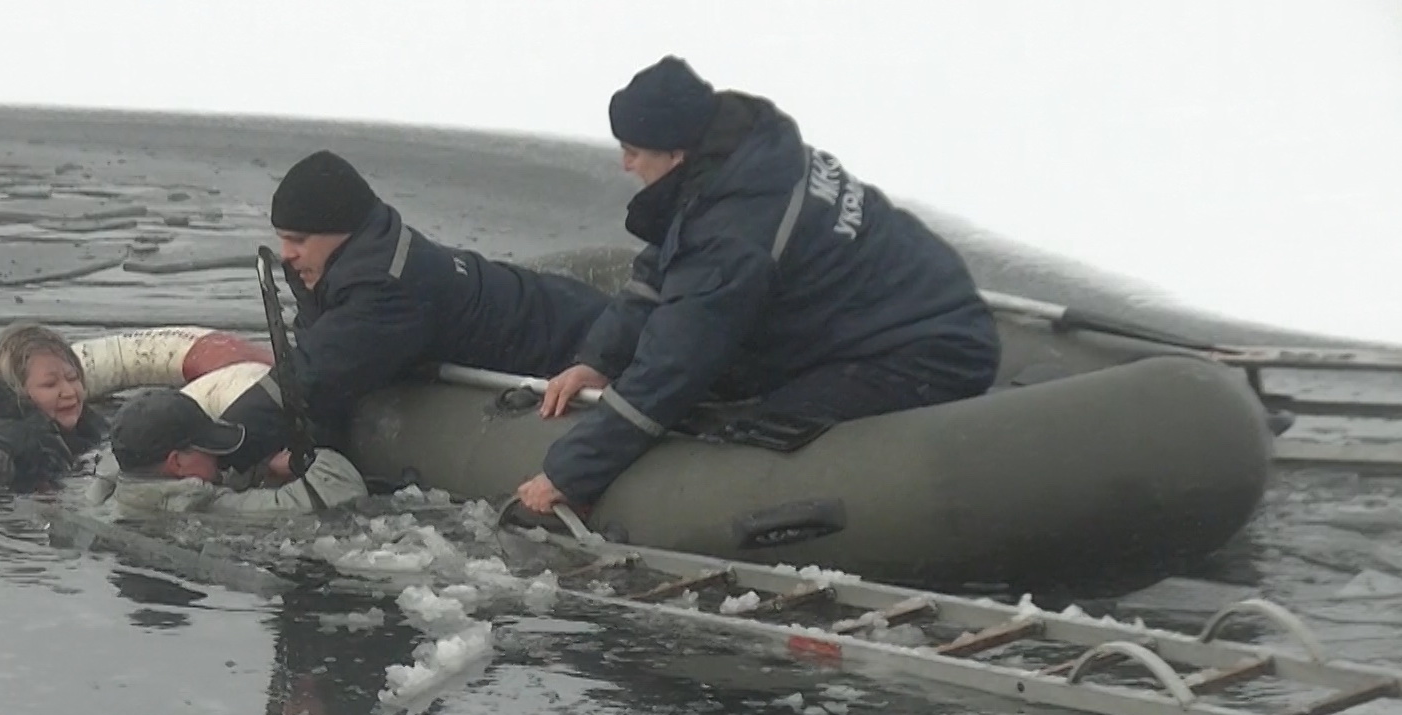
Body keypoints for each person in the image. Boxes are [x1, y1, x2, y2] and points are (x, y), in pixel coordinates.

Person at [514, 56, 1002, 513]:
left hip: (928, 350)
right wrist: (598, 362)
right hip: (907, 311)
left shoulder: (735, 232)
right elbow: (665, 267)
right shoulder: (745, 160)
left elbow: (675, 362)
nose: (625, 166)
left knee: (754, 430)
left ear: (677, 153)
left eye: (633, 152)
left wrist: (569, 474)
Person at [269, 150, 610, 451]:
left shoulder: (387, 288)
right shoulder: (349, 267)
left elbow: (317, 376)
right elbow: (329, 368)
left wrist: (230, 439)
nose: (285, 255)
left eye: (297, 240)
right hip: (553, 308)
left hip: (579, 332)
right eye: (283, 240)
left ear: (340, 232)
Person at [0, 323, 283, 491]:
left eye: (72, 377)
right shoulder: (25, 446)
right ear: (20, 395)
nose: (69, 392)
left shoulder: (89, 429)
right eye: (50, 384)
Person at [85, 388, 366, 517]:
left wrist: (258, 471)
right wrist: (301, 462)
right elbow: (339, 492)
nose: (218, 459)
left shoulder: (111, 493)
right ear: (177, 463)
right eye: (207, 449)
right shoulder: (205, 510)